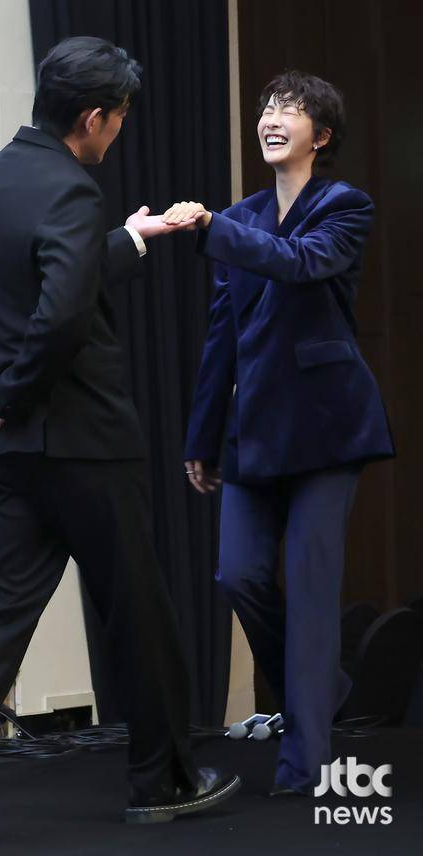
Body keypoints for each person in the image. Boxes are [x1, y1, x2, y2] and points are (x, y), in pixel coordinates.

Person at [0, 37, 241, 841]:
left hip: (13, 454)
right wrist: (12, 395)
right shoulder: (74, 190)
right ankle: (163, 780)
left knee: (2, 612)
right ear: (94, 117)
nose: (119, 131)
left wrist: (133, 236)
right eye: (119, 119)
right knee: (138, 612)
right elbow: (63, 314)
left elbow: (50, 280)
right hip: (83, 442)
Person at [163, 71, 395, 796]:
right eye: (267, 107)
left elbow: (302, 264)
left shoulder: (344, 205)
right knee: (238, 574)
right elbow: (222, 337)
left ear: (319, 136)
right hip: (255, 429)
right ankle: (322, 686)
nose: (271, 117)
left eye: (289, 110)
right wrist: (202, 437)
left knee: (313, 587)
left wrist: (212, 229)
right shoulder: (242, 217)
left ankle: (305, 764)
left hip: (329, 425)